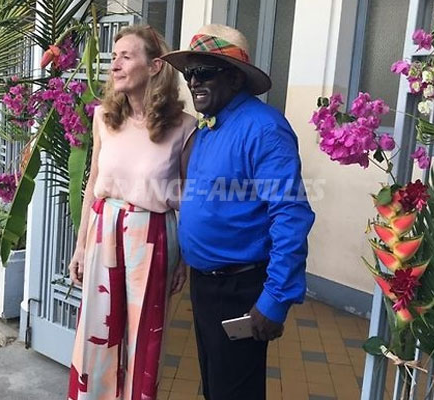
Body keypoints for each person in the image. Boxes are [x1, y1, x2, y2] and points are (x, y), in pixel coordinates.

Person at [162, 24, 316, 400]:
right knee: (216, 387)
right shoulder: (209, 127)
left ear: (233, 78)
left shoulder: (264, 129)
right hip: (207, 284)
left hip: (240, 288)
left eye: (205, 72)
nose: (193, 82)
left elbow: (290, 215)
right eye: (189, 73)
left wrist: (274, 300)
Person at [67, 25, 196, 400]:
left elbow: (186, 196)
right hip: (104, 228)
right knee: (97, 329)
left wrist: (183, 258)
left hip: (153, 234)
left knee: (145, 334)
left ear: (155, 66)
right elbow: (93, 183)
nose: (114, 64)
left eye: (126, 56)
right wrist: (80, 245)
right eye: (114, 56)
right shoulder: (104, 117)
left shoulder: (184, 128)